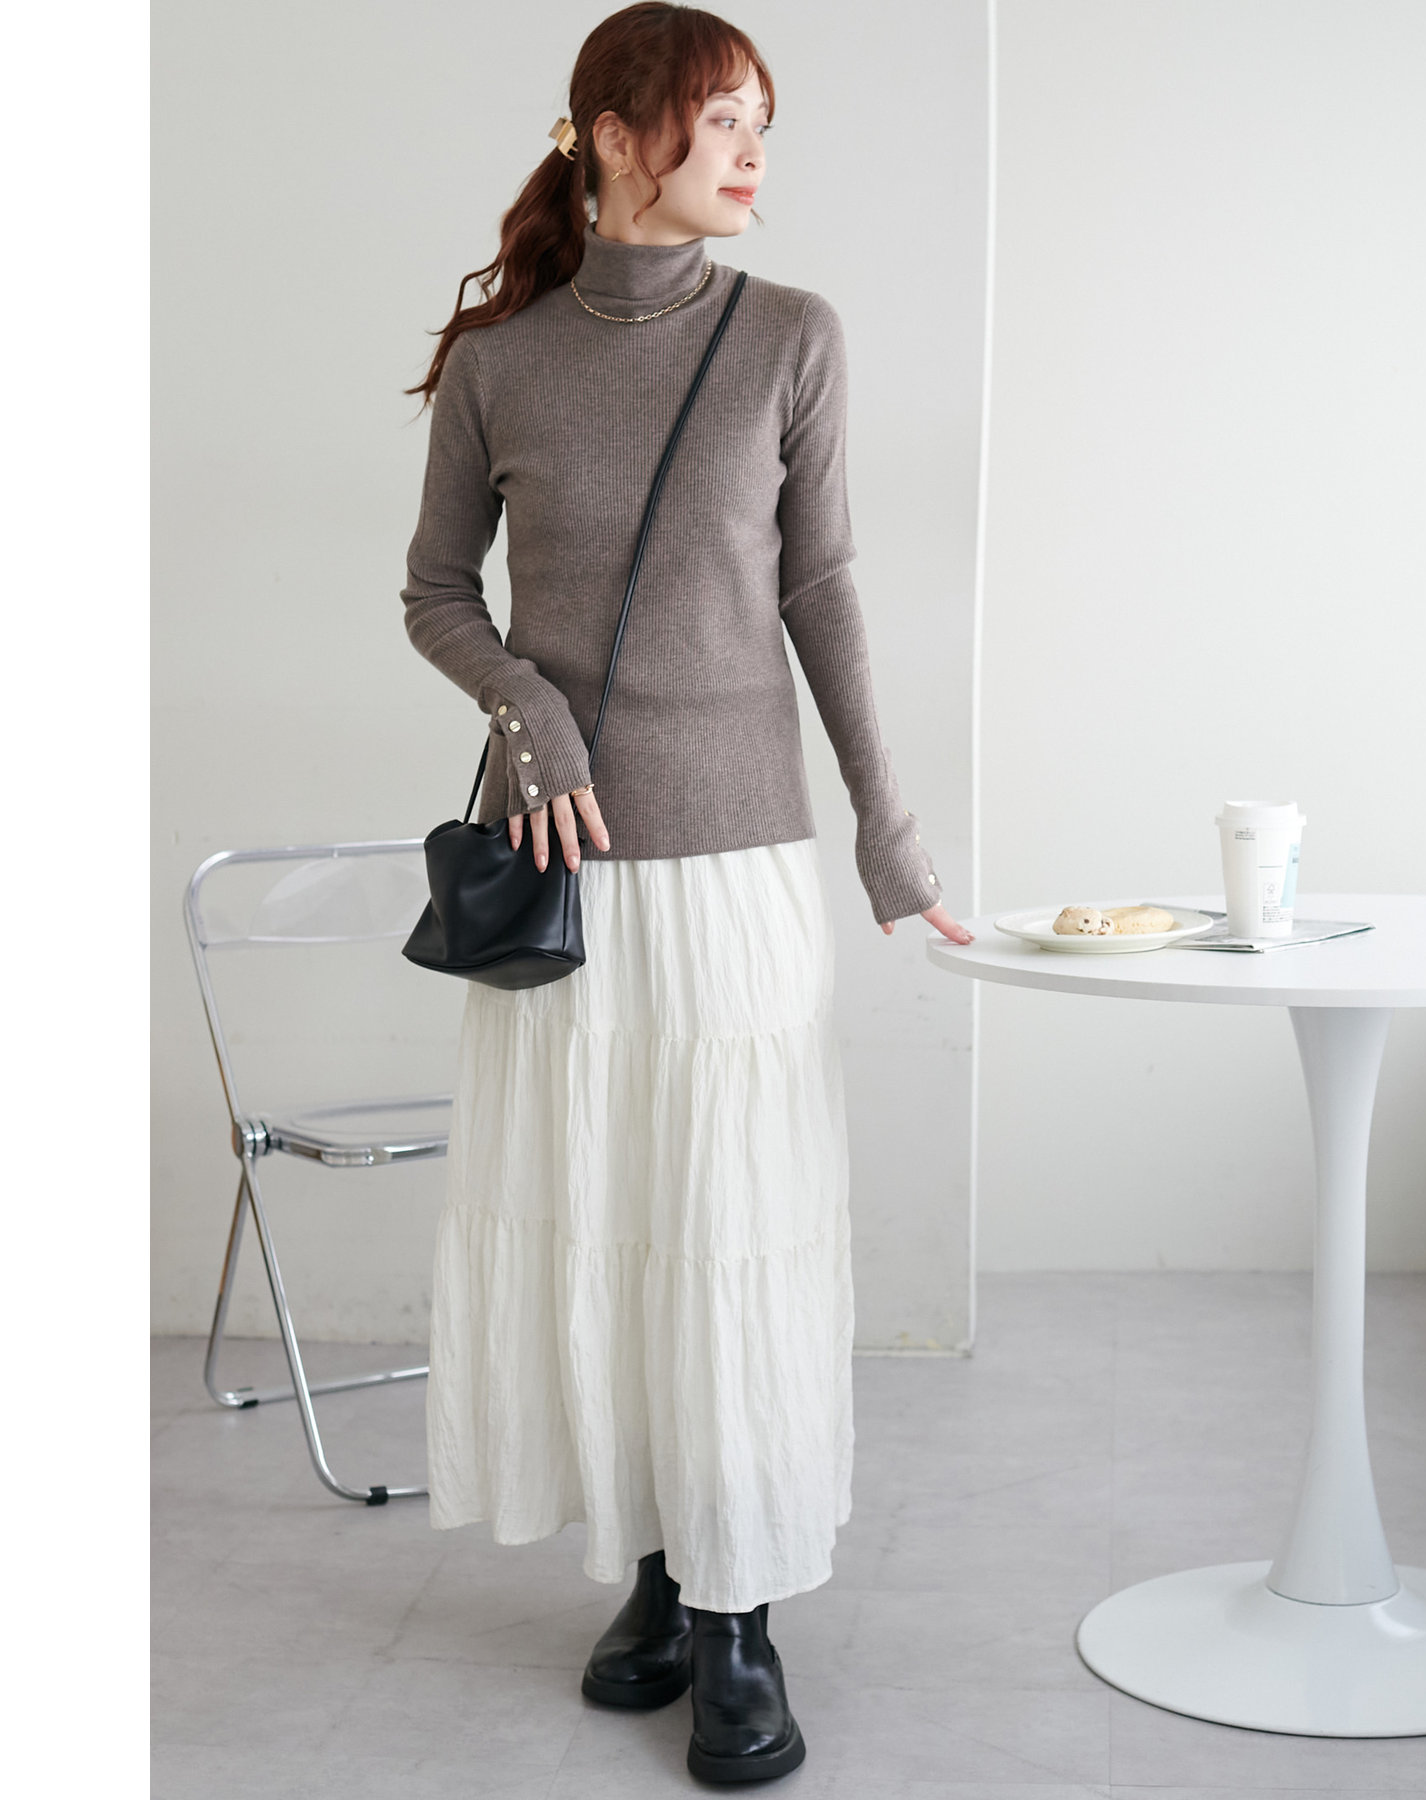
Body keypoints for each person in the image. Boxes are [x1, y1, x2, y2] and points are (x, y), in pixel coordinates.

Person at [400, 3, 972, 1784]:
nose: (752, 154)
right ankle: (655, 1564)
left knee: (731, 1231)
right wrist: (534, 712)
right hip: (566, 877)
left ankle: (739, 1613)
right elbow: (436, 593)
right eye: (720, 120)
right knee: (605, 1225)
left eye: (758, 123)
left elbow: (825, 590)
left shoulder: (790, 335)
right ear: (609, 133)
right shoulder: (502, 363)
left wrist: (889, 832)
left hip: (736, 874)